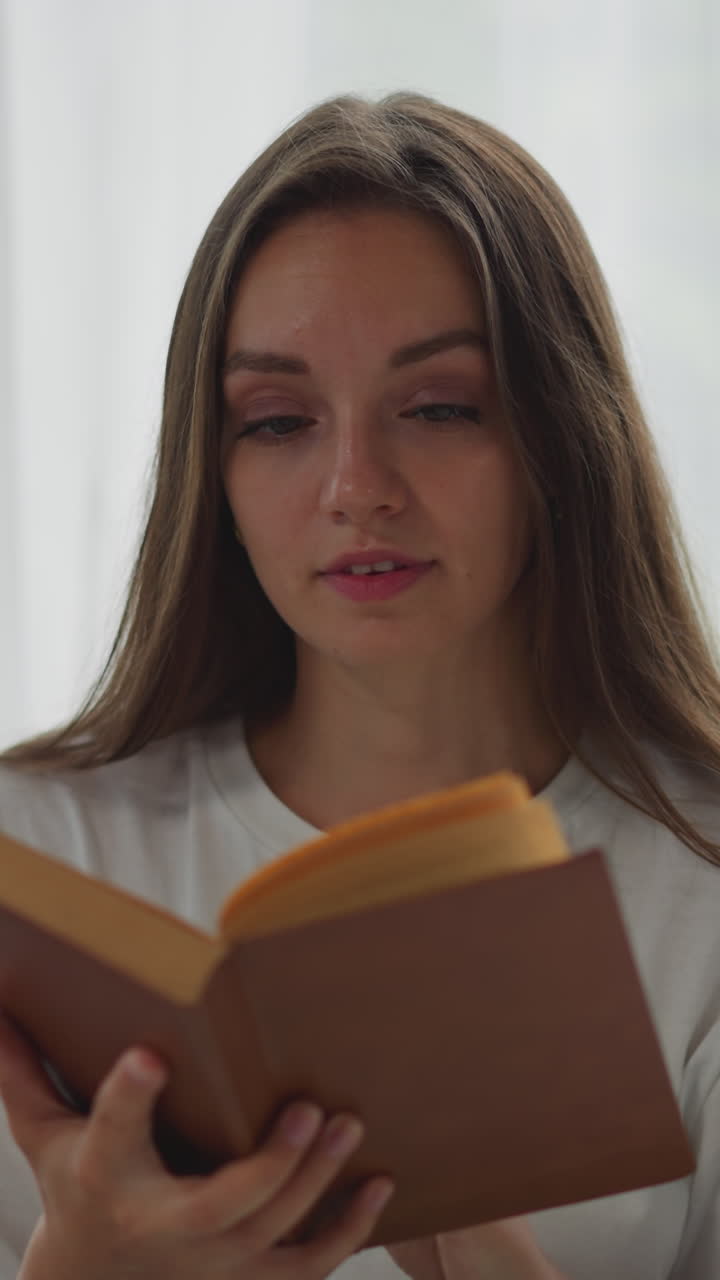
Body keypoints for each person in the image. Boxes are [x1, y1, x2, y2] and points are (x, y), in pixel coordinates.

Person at [0, 90, 718, 1280]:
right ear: (213, 469)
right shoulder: (38, 858)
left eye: (438, 407)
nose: (355, 485)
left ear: (562, 439)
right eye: (279, 420)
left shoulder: (697, 874)